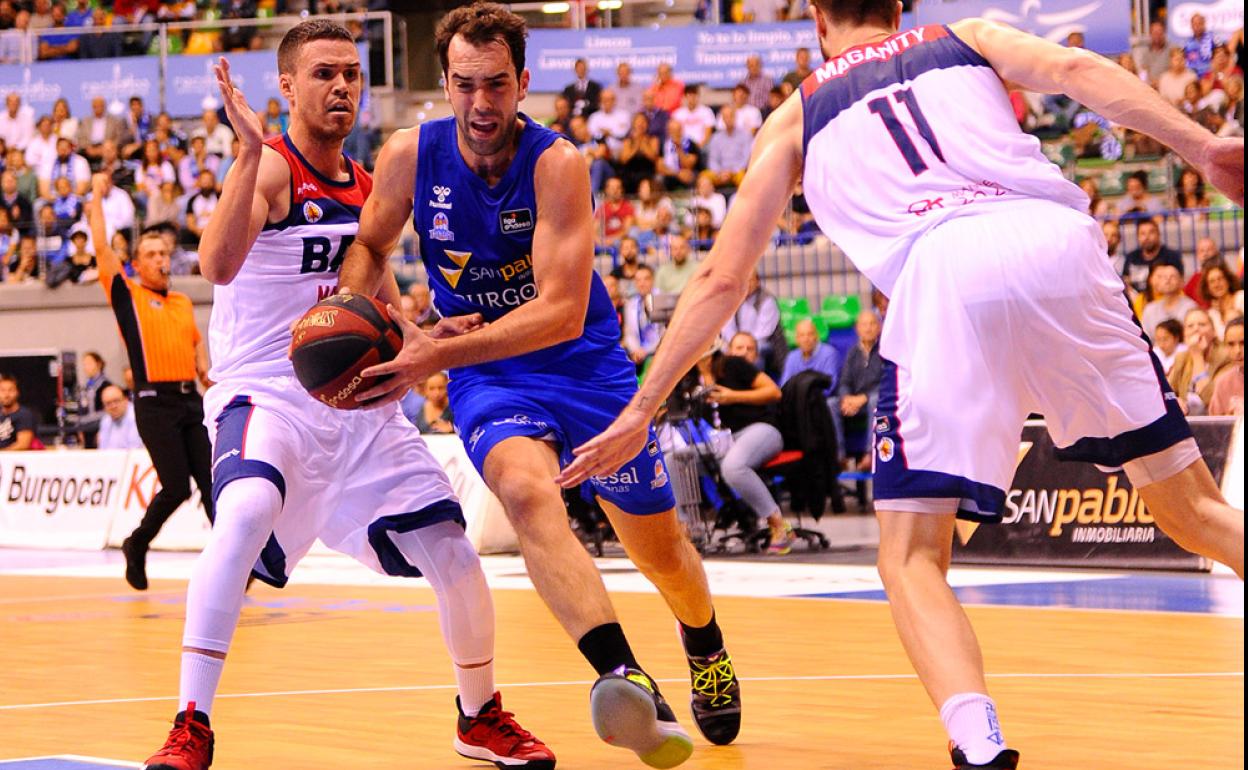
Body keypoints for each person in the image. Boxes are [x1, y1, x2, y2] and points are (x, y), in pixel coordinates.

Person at [558, 5, 1245, 767]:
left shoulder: (796, 115)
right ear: (895, 8)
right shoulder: (966, 36)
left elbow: (722, 277)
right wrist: (1202, 146)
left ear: (817, 21)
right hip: (1058, 247)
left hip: (941, 272)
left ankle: (978, 742)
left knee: (911, 556)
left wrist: (643, 407)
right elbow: (1079, 70)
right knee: (1195, 511)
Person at [135, 21, 554, 770]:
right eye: (324, 73)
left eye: (352, 74)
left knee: (454, 552)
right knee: (245, 510)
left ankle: (479, 715)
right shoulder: (272, 169)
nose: (342, 87)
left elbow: (379, 304)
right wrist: (246, 152)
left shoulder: (366, 187)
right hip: (269, 395)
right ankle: (191, 721)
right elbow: (217, 265)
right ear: (287, 86)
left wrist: (427, 331)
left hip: (358, 407)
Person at [336, 4, 742, 767]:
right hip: (487, 373)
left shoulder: (558, 164)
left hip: (583, 366)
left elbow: (559, 313)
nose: (480, 103)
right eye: (465, 84)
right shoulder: (407, 155)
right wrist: (376, 318)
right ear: (445, 84)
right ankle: (624, 676)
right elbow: (369, 245)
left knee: (661, 552)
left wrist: (431, 352)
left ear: (523, 83)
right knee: (525, 494)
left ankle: (705, 640)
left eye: (496, 84)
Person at [87, 175, 216, 594]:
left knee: (212, 484)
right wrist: (96, 195)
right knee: (176, 487)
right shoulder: (128, 294)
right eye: (151, 254)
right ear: (137, 264)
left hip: (190, 401)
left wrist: (204, 371)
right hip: (153, 402)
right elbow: (101, 247)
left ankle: (234, 562)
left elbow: (195, 344)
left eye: (164, 253)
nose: (160, 259)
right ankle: (137, 542)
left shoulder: (181, 302)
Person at [705, 331, 790, 553]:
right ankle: (685, 531)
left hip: (761, 429)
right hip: (723, 438)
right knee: (676, 458)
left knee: (733, 466)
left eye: (749, 348)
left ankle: (778, 525)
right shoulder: (688, 377)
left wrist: (731, 396)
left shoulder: (733, 364)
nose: (744, 353)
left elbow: (774, 392)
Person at [1121, 218, 1183, 295]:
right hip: (1136, 299)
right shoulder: (1131, 257)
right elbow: (1125, 281)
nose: (1147, 237)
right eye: (1142, 234)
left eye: (1151, 232)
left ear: (1158, 234)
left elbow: (1179, 283)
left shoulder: (1171, 256)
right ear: (1138, 237)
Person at [1140, 263, 1198, 335]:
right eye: (1163, 277)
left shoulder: (1191, 307)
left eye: (1172, 276)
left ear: (1181, 282)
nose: (1167, 280)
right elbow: (1145, 336)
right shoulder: (1150, 309)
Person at [1208, 317, 1244, 415]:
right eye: (1231, 344)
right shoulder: (1223, 383)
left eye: (1243, 343)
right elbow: (1214, 422)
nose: (1237, 351)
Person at [97, 384, 143, 450]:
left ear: (126, 400)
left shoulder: (136, 417)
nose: (113, 406)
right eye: (108, 403)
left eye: (116, 401)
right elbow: (102, 450)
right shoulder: (106, 420)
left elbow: (134, 449)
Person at [0, 374, 36, 451]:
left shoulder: (24, 415)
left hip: (15, 457)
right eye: (2, 390)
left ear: (17, 392)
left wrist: (3, 453)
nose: (6, 395)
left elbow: (23, 444)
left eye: (10, 390)